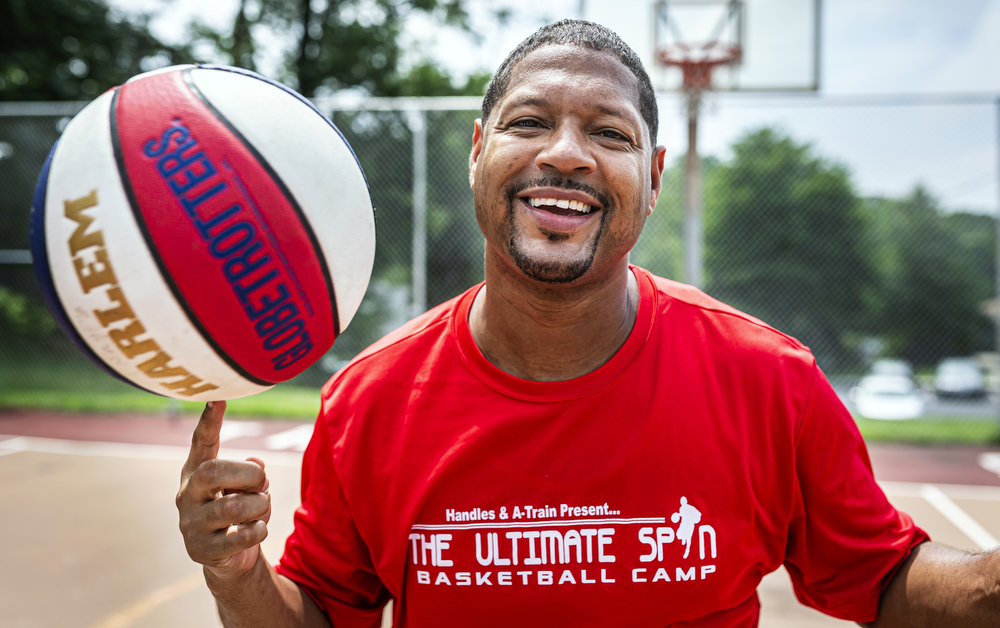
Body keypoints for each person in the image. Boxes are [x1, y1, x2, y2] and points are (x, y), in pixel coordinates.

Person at [175, 19, 1000, 628]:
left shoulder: (767, 378)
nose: (566, 153)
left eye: (610, 133)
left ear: (653, 176)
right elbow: (322, 615)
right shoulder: (370, 399)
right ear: (477, 152)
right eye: (530, 122)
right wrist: (239, 575)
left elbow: (885, 581)